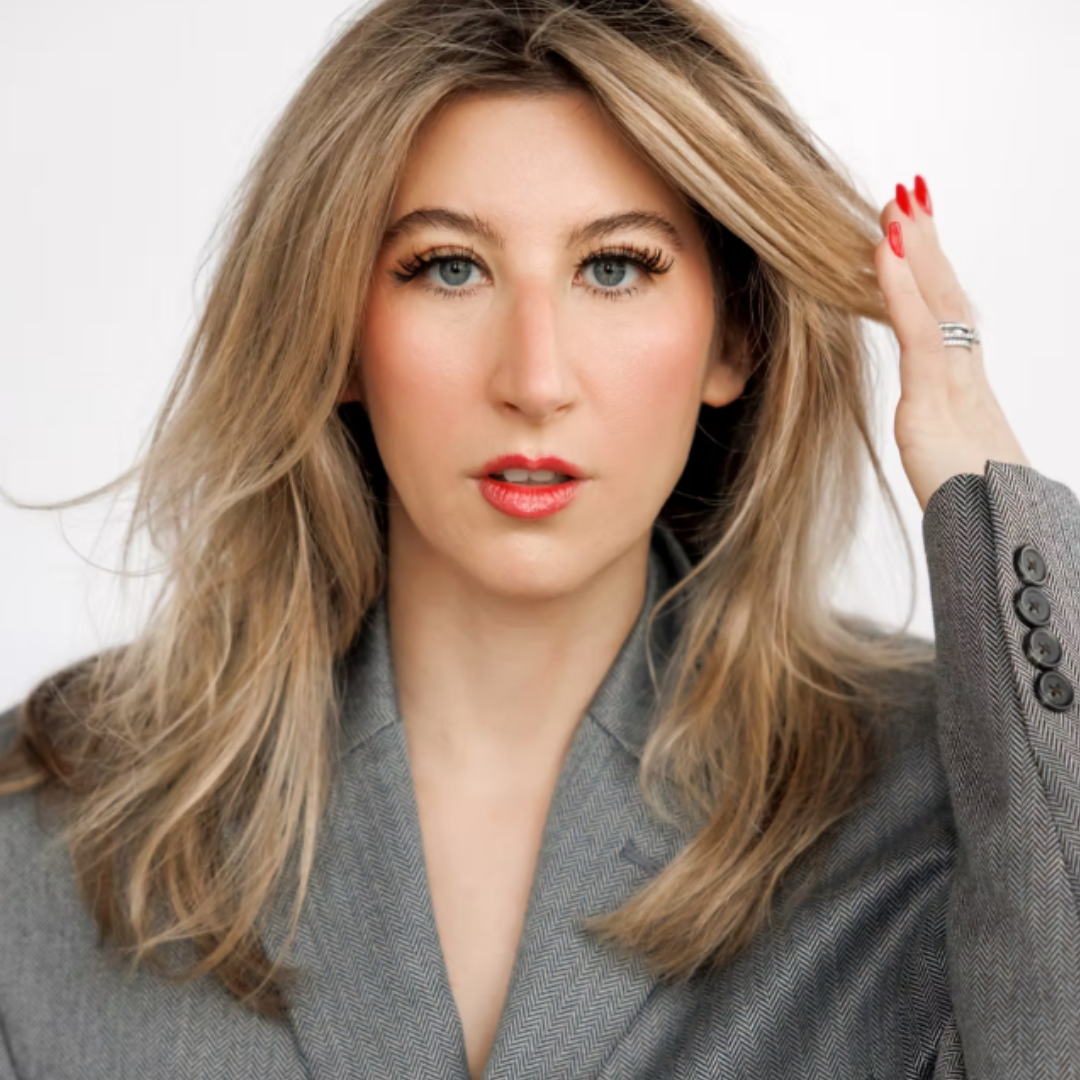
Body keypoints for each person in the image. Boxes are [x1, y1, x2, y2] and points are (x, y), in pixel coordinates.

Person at [1, 0, 1077, 1076]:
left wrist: (984, 483)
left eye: (614, 267)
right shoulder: (51, 830)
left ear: (734, 336)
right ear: (334, 333)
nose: (535, 379)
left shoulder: (957, 799)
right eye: (448, 267)